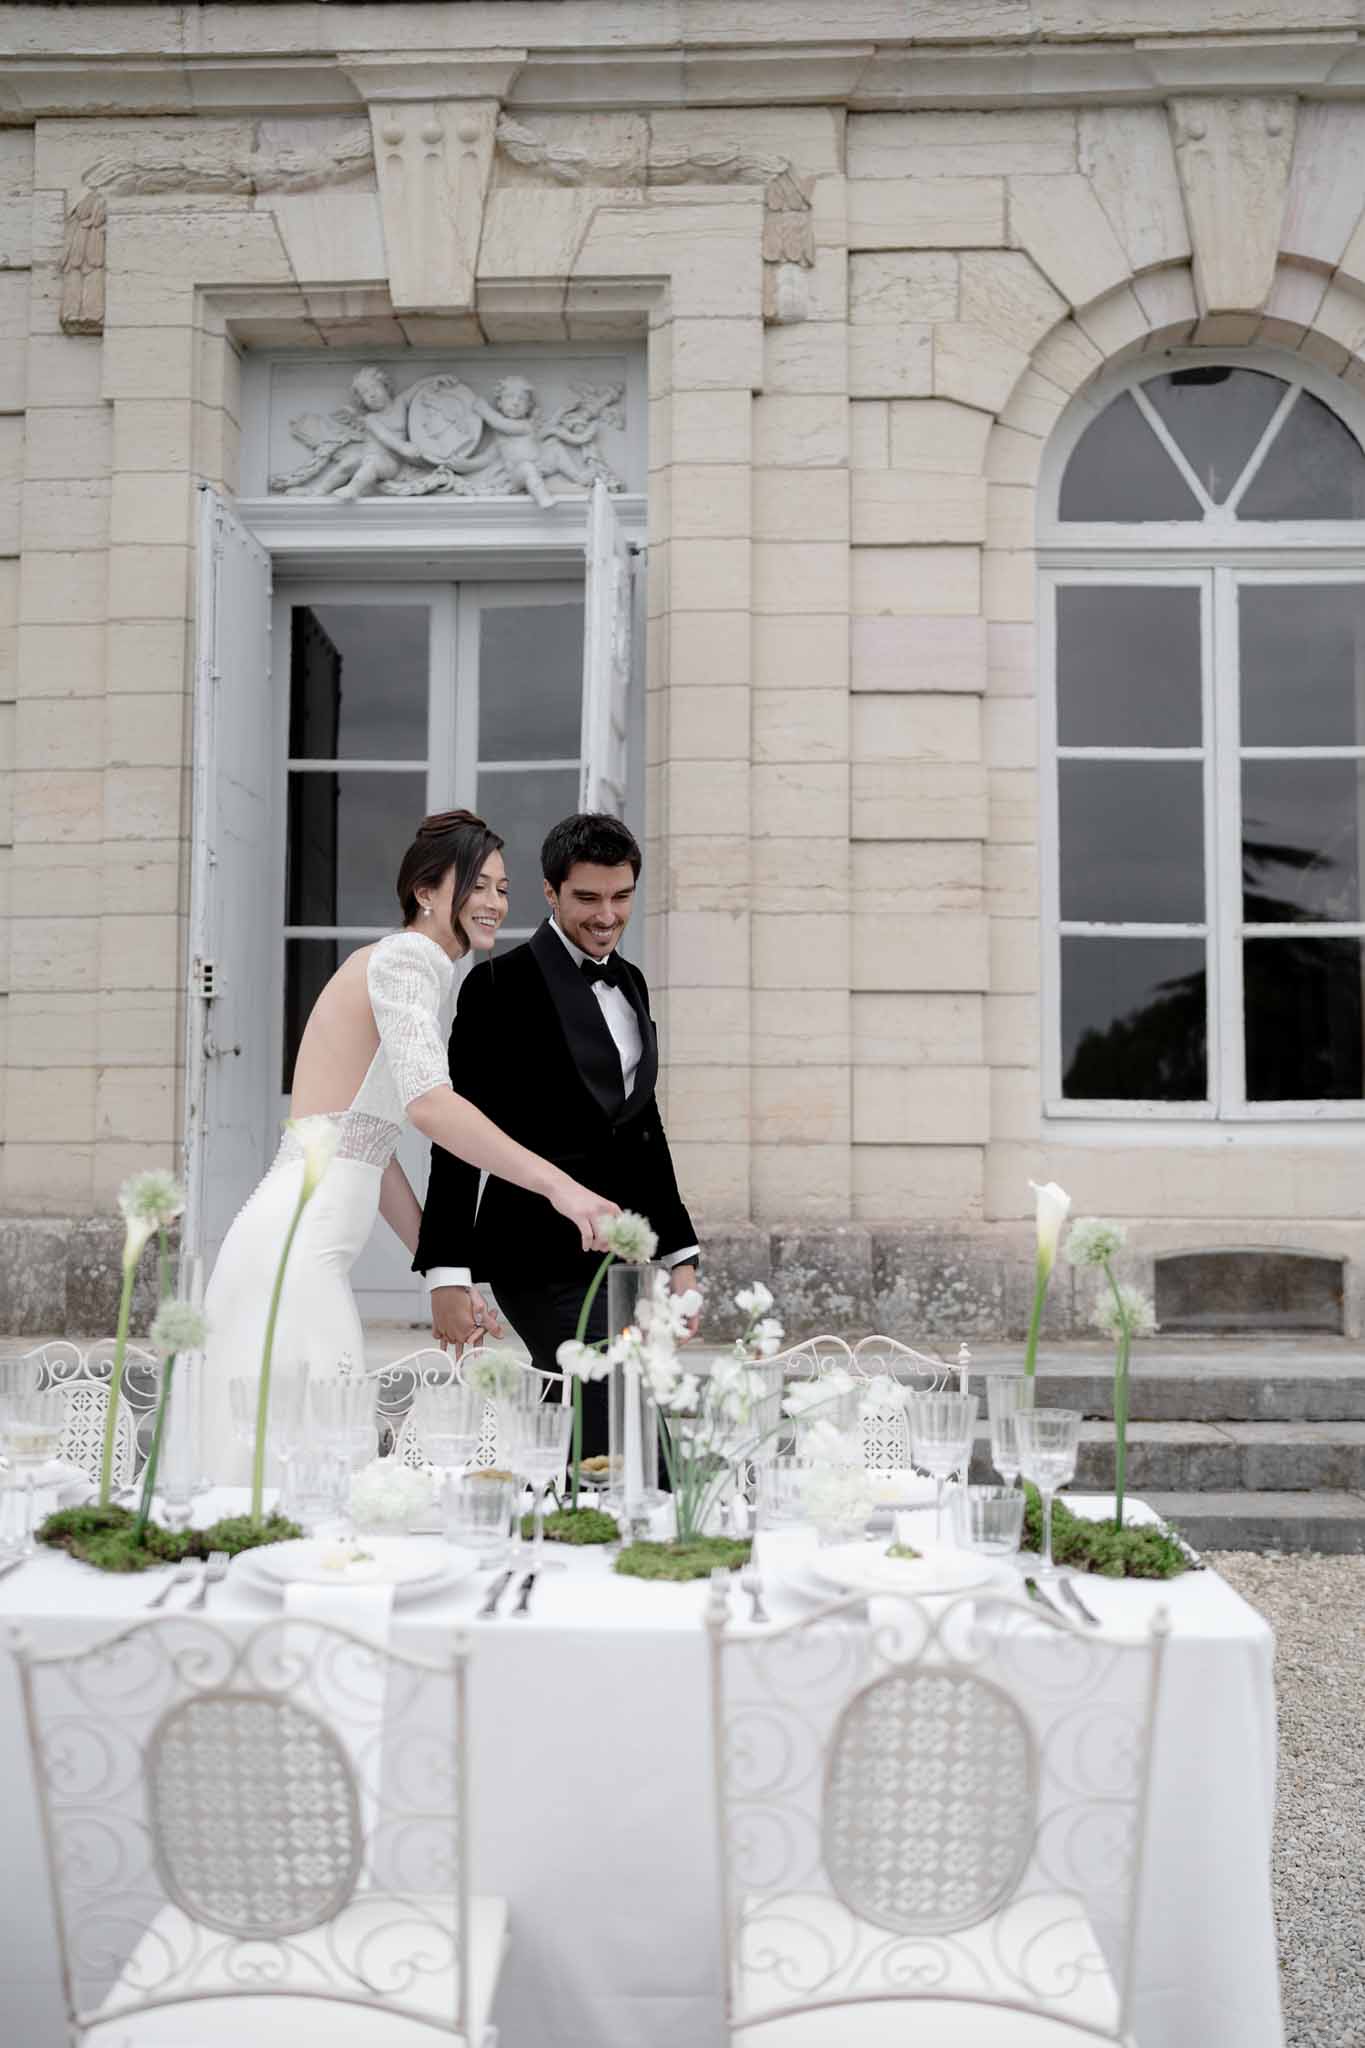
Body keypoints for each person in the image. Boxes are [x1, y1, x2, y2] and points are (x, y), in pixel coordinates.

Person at [200, 810, 619, 1481]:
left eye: (502, 888)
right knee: (306, 1470)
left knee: (285, 1472)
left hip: (283, 1247)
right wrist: (559, 1187)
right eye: (475, 884)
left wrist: (442, 1270)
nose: (492, 902)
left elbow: (370, 1147)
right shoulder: (409, 959)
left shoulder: (398, 964)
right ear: (426, 892)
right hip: (295, 1259)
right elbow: (430, 1106)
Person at [415, 812, 700, 1457]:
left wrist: (681, 1259)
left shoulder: (631, 982)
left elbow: (643, 1127)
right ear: (550, 892)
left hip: (619, 1261)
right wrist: (446, 1273)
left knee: (585, 1429)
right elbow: (456, 1136)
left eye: (621, 896)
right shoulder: (497, 984)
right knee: (625, 1428)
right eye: (587, 898)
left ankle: (549, 1529)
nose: (607, 915)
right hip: (536, 1257)